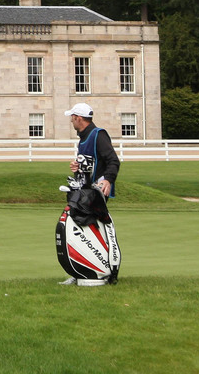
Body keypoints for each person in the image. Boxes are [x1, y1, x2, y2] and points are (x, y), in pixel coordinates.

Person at [60, 102, 120, 286]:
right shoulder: (83, 138)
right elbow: (88, 164)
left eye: (72, 117)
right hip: (84, 191)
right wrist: (76, 167)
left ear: (79, 118)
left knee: (92, 232)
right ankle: (81, 271)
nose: (71, 121)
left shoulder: (98, 135)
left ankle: (96, 273)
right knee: (83, 231)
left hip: (96, 193)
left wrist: (108, 180)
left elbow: (113, 161)